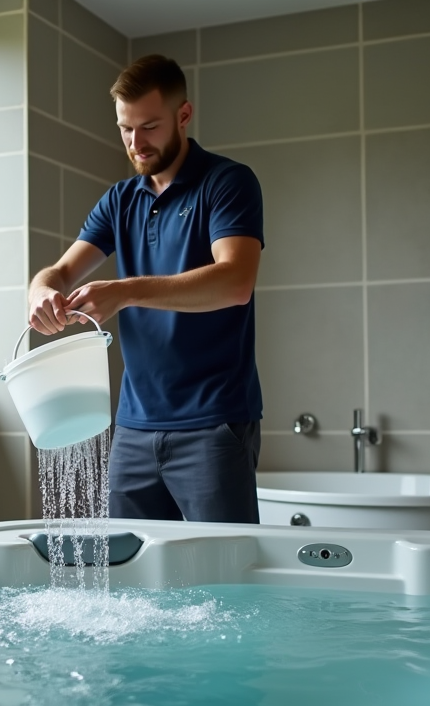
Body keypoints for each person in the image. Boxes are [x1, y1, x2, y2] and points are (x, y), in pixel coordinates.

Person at [27, 54, 265, 524]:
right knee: (132, 586)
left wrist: (125, 291)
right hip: (133, 430)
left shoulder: (227, 183)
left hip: (213, 423)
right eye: (125, 129)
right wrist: (41, 294)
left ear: (183, 115)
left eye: (150, 127)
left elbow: (236, 281)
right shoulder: (119, 201)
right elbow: (56, 272)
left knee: (226, 585)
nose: (136, 143)